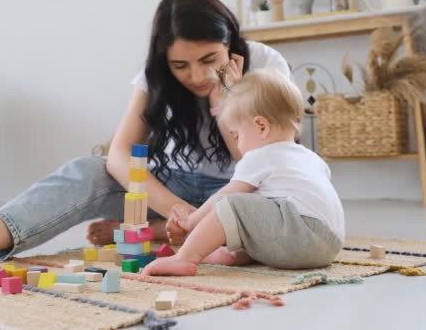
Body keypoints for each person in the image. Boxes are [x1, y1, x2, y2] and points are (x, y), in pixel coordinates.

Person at [0, 0, 291, 270]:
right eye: (181, 65)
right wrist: (180, 212)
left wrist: (227, 100)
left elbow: (260, 163)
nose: (195, 76)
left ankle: (161, 231)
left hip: (242, 191)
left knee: (279, 225)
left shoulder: (265, 63)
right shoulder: (156, 76)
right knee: (87, 170)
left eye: (209, 60)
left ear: (230, 42)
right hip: (175, 189)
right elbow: (120, 154)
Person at [142, 69, 345, 276]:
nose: (237, 144)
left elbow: (224, 197)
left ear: (261, 126)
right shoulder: (311, 158)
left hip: (303, 236)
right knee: (256, 207)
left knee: (231, 204)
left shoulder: (260, 156)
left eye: (237, 135)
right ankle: (238, 254)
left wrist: (191, 221)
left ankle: (184, 258)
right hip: (330, 244)